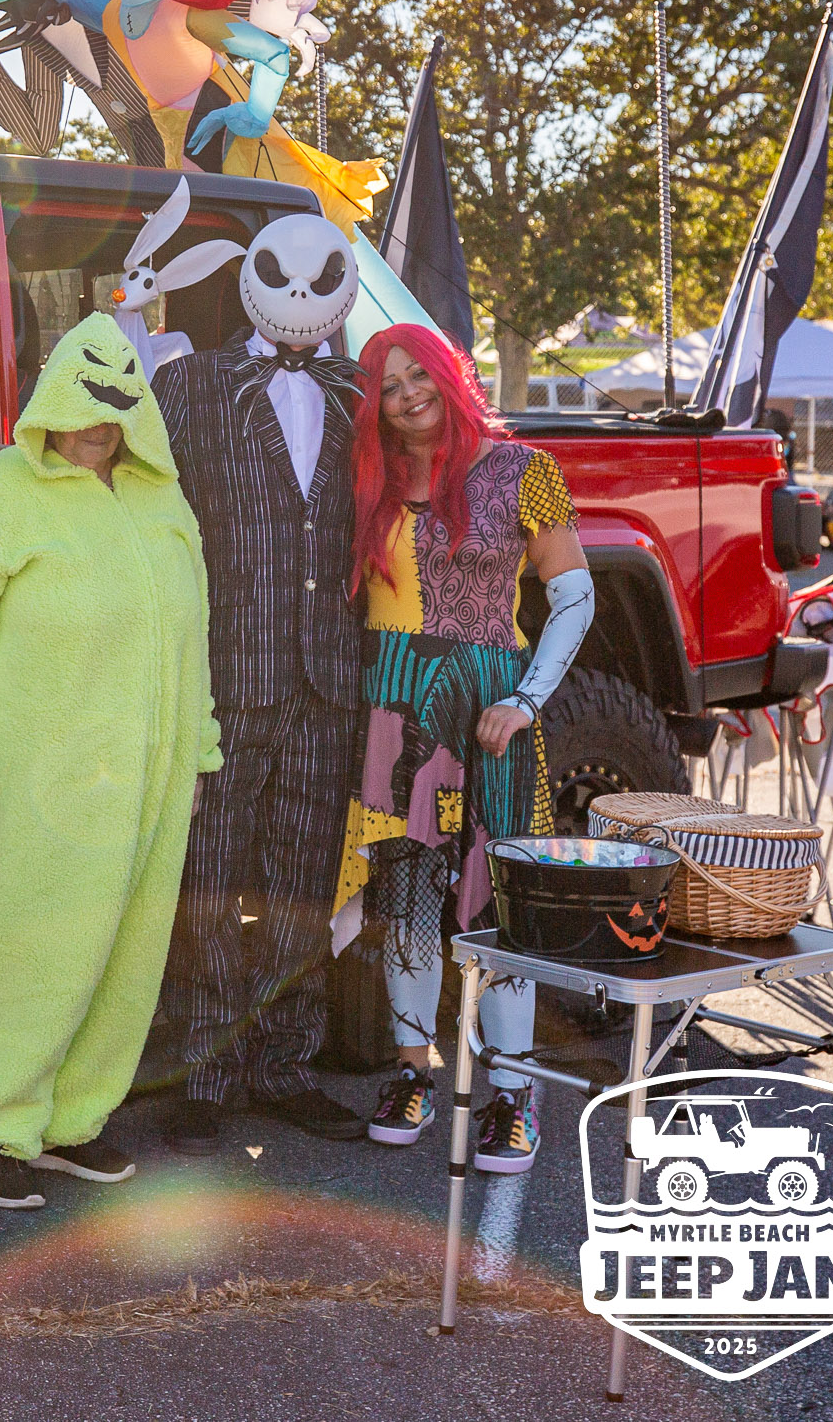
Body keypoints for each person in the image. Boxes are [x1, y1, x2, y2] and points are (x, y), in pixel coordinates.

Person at [0, 317, 219, 1209]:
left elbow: (194, 632)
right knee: (26, 951)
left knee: (125, 952)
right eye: (84, 405)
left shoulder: (161, 497)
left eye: (116, 410)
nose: (97, 426)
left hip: (149, 779)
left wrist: (198, 750)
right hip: (38, 780)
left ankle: (71, 1117)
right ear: (52, 396)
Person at [332, 324, 594, 1175]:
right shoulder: (367, 479)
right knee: (405, 894)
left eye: (419, 374)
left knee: (495, 900)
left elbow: (575, 597)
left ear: (449, 374)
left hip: (489, 711)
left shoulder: (523, 469)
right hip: (393, 707)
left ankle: (513, 1094)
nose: (407, 394)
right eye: (388, 384)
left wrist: (525, 698)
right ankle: (414, 1071)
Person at [152, 214, 370, 1153]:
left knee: (303, 880)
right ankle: (204, 1071)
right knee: (204, 873)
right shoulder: (189, 384)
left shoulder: (363, 394)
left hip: (329, 677)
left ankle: (284, 1064)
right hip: (225, 676)